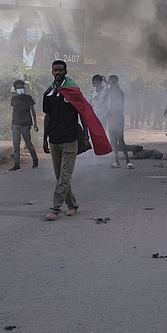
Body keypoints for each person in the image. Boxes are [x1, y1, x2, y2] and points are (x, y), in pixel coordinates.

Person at [43, 60, 112, 221]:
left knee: (65, 176)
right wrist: (44, 140)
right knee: (59, 175)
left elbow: (83, 113)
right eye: (55, 70)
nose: (58, 72)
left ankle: (55, 208)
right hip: (54, 139)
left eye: (61, 70)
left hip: (70, 139)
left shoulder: (73, 91)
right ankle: (72, 205)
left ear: (65, 72)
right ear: (52, 72)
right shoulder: (48, 93)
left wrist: (87, 137)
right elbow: (48, 117)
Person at [9, 79, 39, 171]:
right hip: (16, 124)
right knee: (16, 145)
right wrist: (12, 123)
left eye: (21, 87)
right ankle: (16, 164)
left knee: (28, 143)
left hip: (26, 124)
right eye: (18, 88)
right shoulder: (14, 99)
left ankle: (35, 159)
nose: (20, 89)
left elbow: (32, 111)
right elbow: (13, 112)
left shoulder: (28, 98)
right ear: (15, 89)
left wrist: (35, 124)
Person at [106, 75, 133, 169]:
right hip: (112, 118)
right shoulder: (112, 92)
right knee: (113, 140)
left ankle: (128, 161)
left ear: (115, 82)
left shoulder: (119, 92)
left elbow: (120, 107)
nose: (110, 84)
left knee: (120, 140)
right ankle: (116, 161)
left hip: (117, 118)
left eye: (111, 82)